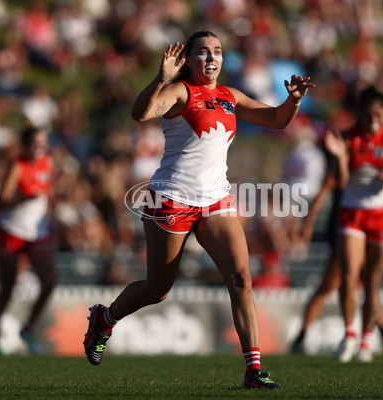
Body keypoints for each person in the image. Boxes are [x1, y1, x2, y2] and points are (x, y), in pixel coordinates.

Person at [82, 31, 314, 389]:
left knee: (241, 278)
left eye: (217, 52)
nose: (211, 58)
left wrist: (293, 100)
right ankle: (104, 319)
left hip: (216, 200)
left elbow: (277, 120)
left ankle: (254, 370)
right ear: (188, 60)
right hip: (171, 199)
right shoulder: (179, 91)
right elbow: (140, 113)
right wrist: (162, 78)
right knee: (158, 289)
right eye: (203, 52)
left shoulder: (230, 96)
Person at [290, 134, 383, 355]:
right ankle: (304, 337)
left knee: (362, 284)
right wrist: (307, 226)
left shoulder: (362, 167)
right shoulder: (341, 169)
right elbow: (325, 193)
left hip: (357, 231)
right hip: (343, 232)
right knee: (335, 284)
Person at [327, 86, 383, 363]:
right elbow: (340, 181)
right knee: (350, 275)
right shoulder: (349, 137)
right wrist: (339, 157)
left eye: (379, 113)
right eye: (369, 113)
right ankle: (349, 335)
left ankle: (366, 342)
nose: (374, 118)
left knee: (373, 281)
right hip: (353, 211)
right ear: (360, 114)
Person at [0, 126, 57, 355]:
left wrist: (49, 216)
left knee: (50, 280)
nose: (40, 148)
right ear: (25, 145)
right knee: (8, 288)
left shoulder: (48, 163)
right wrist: (22, 198)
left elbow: (48, 194)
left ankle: (29, 326)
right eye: (35, 143)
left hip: (36, 233)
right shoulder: (17, 166)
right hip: (12, 231)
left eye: (43, 143)